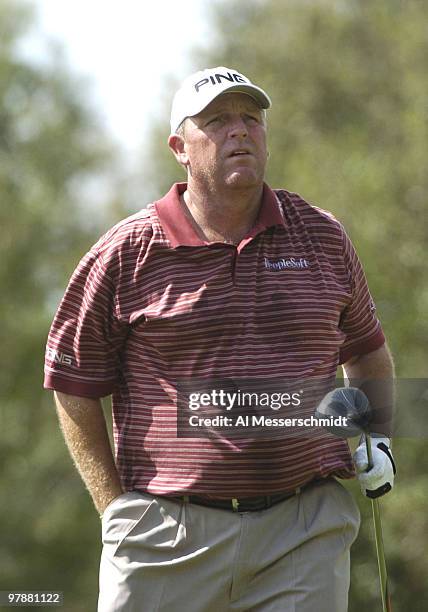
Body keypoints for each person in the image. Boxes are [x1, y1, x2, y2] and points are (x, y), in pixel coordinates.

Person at [44, 66, 396, 612]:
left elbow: (366, 347)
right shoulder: (126, 251)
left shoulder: (321, 234)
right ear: (179, 147)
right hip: (166, 535)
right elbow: (72, 382)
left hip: (304, 530)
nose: (239, 131)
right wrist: (115, 508)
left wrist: (377, 435)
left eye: (250, 119)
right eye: (217, 121)